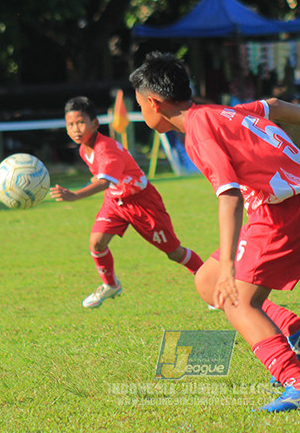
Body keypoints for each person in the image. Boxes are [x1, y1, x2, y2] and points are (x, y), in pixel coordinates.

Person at [129, 52, 300, 413]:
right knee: (207, 281)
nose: (142, 112)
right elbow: (273, 106)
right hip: (288, 204)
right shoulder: (215, 113)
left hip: (281, 214)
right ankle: (296, 331)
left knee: (235, 300)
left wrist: (230, 265)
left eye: (140, 105)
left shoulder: (198, 132)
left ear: (155, 103)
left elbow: (229, 196)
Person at [49, 96, 204, 309]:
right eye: (70, 124)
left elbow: (104, 181)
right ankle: (111, 285)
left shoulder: (106, 149)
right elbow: (102, 177)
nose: (76, 129)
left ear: (95, 124)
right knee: (96, 242)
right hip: (115, 201)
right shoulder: (84, 149)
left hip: (142, 203)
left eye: (81, 122)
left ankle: (212, 282)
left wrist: (75, 195)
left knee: (174, 252)